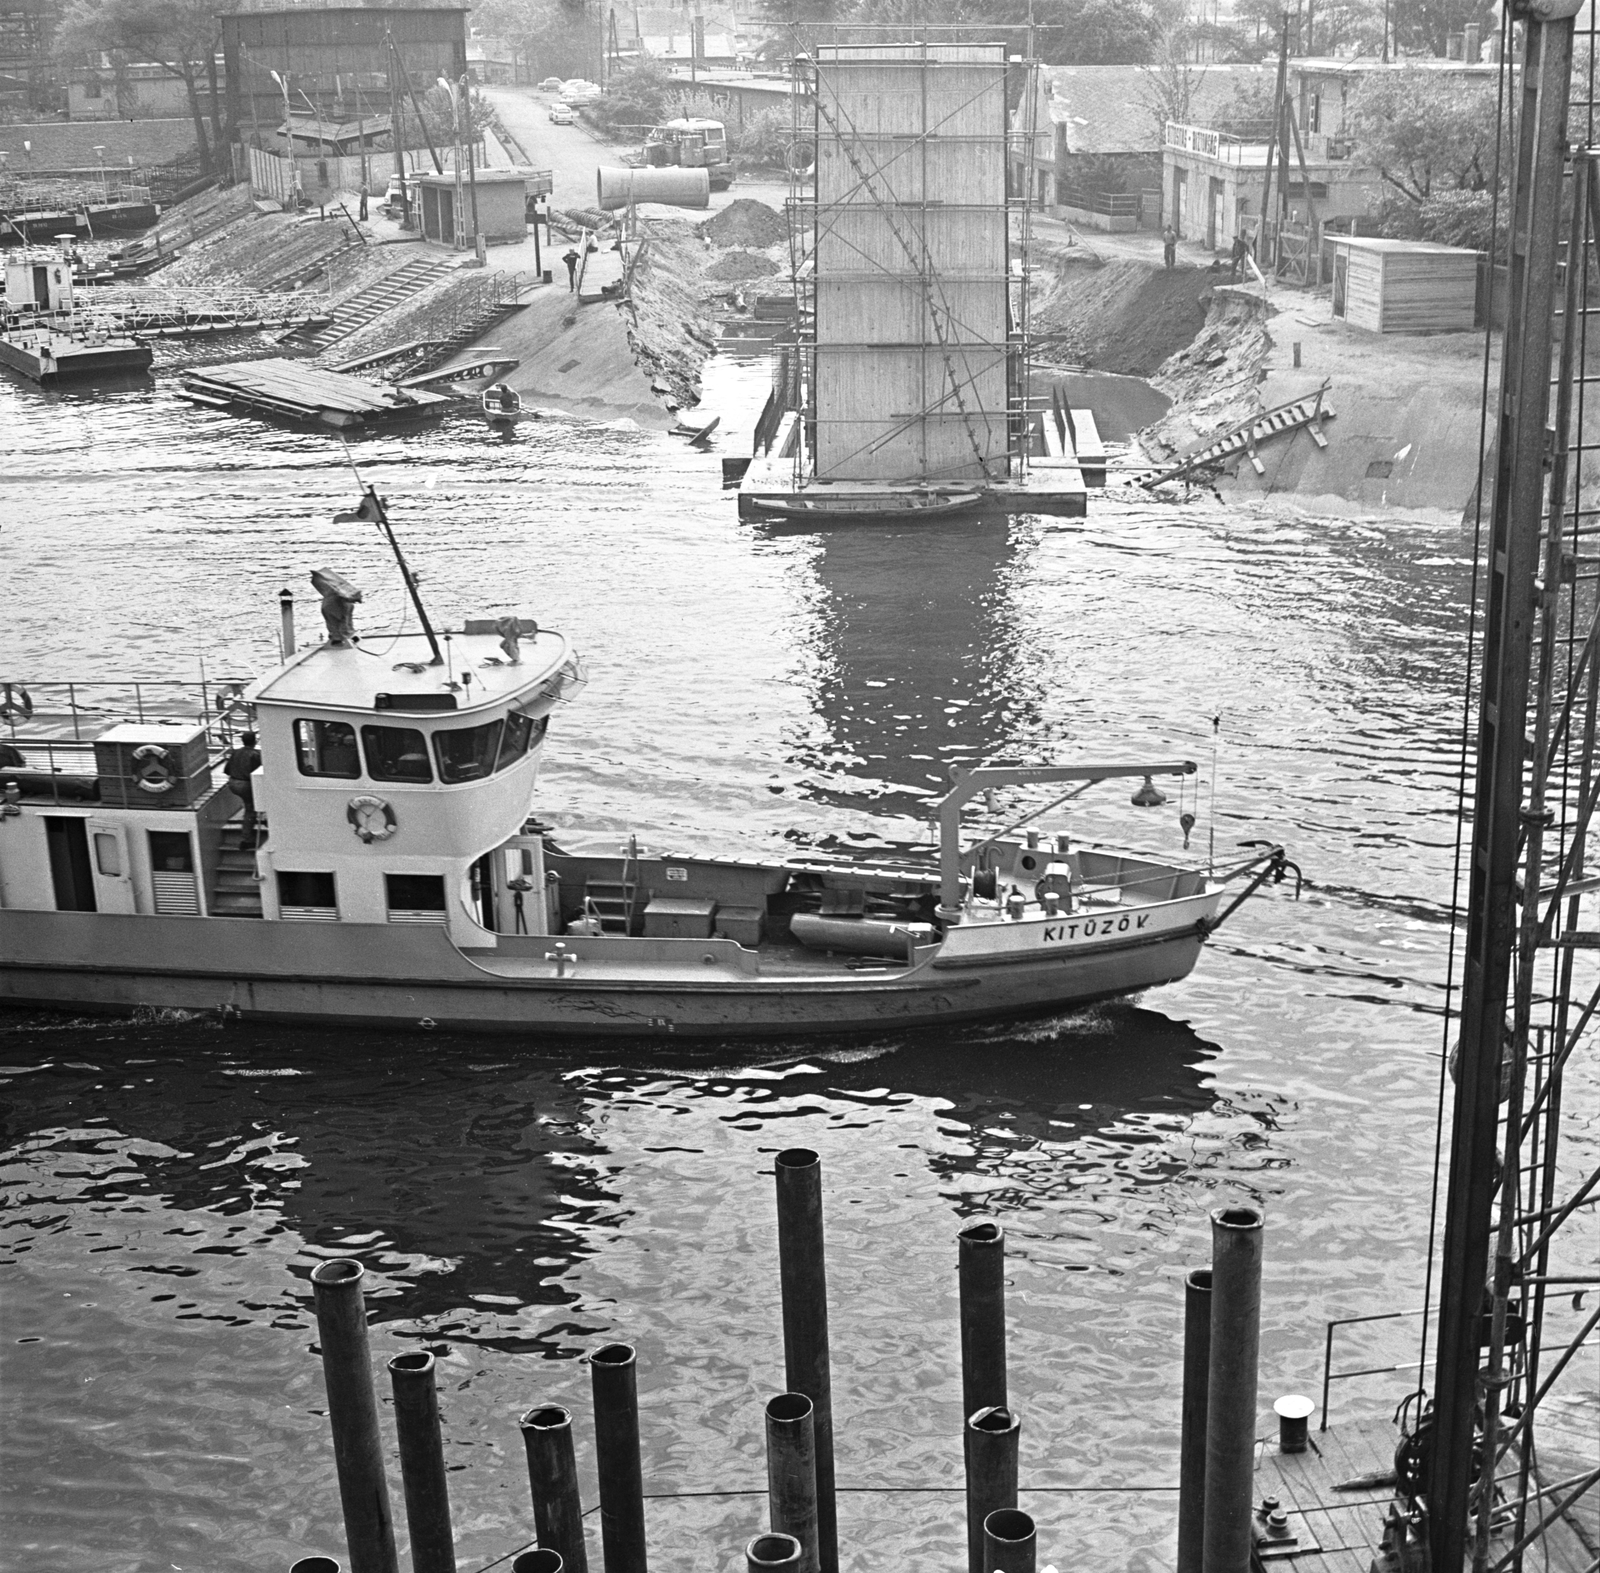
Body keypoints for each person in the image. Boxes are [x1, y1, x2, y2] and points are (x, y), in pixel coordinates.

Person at [225, 731, 262, 844]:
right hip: (245, 784)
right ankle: (246, 839)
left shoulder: (235, 752)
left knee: (248, 805)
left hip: (233, 783)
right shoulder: (255, 754)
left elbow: (227, 770)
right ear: (255, 741)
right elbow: (259, 773)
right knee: (250, 809)